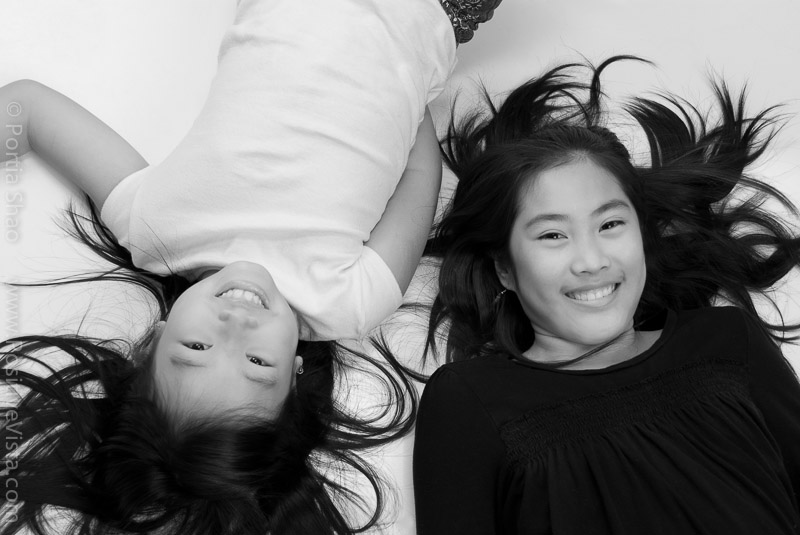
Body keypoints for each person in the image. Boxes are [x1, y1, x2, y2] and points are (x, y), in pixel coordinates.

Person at [0, 0, 502, 533]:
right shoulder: (350, 302)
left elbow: (25, 109)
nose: (235, 326)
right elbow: (420, 176)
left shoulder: (154, 231)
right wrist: (409, 78)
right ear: (294, 375)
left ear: (154, 339)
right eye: (258, 362)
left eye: (196, 348)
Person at [413, 57, 800, 534]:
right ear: (505, 268)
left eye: (610, 224)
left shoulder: (728, 341)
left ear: (642, 235)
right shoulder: (470, 400)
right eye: (553, 235)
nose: (591, 260)